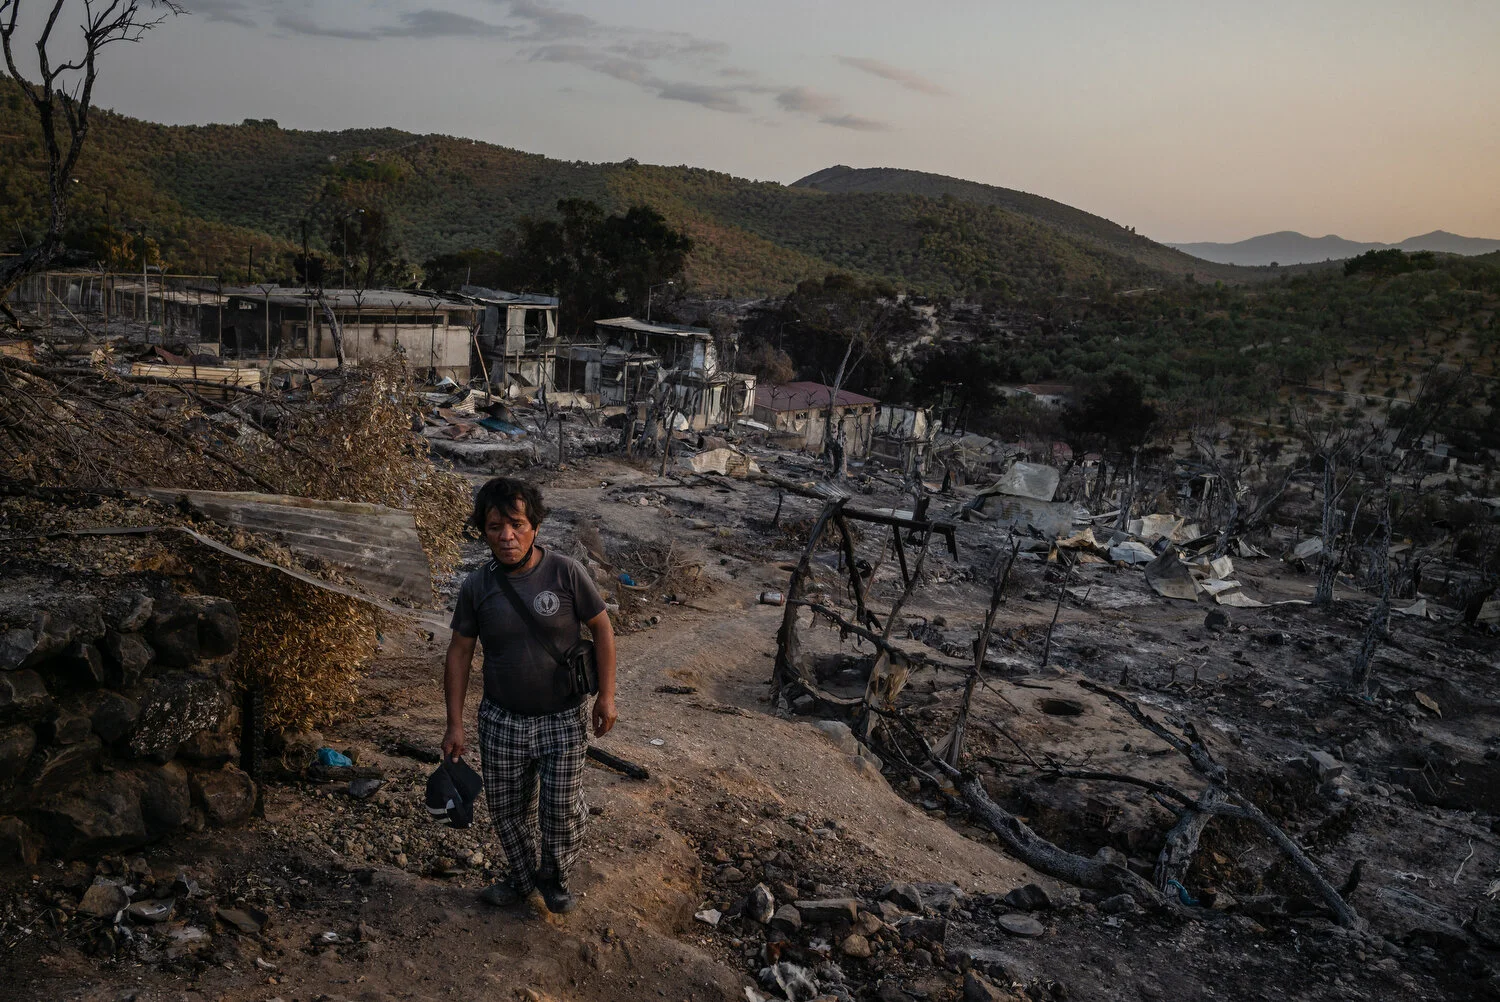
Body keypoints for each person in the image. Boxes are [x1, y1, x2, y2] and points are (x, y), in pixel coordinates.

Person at [442, 477, 618, 913]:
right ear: (483, 532)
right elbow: (460, 652)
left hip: (563, 717)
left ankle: (555, 879)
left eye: (516, 524)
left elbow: (602, 629)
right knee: (507, 811)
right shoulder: (476, 586)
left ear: (534, 526)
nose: (506, 536)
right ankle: (521, 880)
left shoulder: (565, 572)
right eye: (495, 526)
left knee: (560, 809)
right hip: (501, 719)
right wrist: (454, 724)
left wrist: (606, 697)